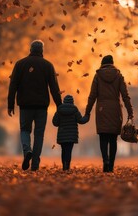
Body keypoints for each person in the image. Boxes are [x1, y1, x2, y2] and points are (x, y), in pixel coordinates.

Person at [8, 40, 62, 171]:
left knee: (25, 130)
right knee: (39, 134)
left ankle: (27, 151)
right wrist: (59, 106)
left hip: (25, 105)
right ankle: (35, 164)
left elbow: (13, 85)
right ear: (42, 50)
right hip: (41, 107)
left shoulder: (20, 64)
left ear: (30, 49)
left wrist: (10, 104)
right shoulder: (48, 65)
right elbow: (54, 88)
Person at [84, 55, 133, 172]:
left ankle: (105, 160)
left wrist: (87, 112)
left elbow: (92, 96)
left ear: (102, 64)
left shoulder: (97, 76)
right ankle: (111, 165)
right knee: (113, 139)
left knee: (103, 137)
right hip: (115, 110)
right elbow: (125, 96)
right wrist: (130, 112)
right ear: (112, 63)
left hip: (101, 109)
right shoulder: (119, 76)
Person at [52, 95, 89, 171]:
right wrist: (87, 116)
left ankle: (63, 166)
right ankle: (67, 166)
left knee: (63, 150)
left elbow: (55, 122)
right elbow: (81, 120)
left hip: (62, 135)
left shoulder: (59, 109)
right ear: (72, 102)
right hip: (71, 136)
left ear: (64, 101)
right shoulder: (75, 110)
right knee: (69, 150)